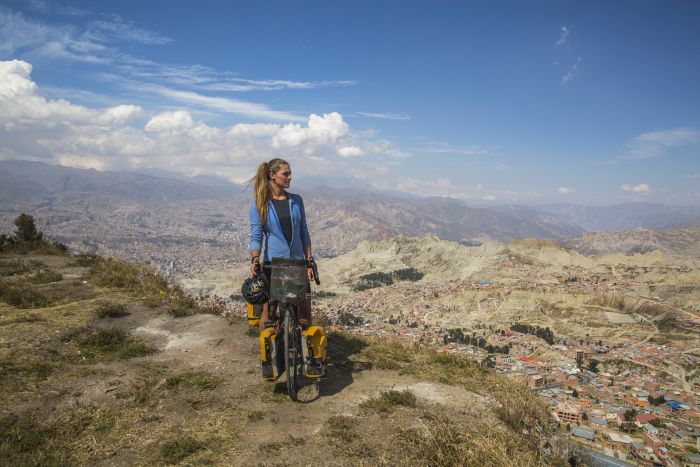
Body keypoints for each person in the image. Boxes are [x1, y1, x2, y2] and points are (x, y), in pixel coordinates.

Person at [248, 158, 315, 329]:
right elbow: (256, 236)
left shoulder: (296, 201)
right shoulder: (259, 204)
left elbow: (304, 232)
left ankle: (303, 352)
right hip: (274, 264)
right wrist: (255, 259)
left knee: (305, 313)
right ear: (272, 175)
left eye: (290, 173)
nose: (290, 177)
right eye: (286, 173)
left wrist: (309, 261)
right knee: (269, 312)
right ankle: (268, 354)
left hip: (297, 262)